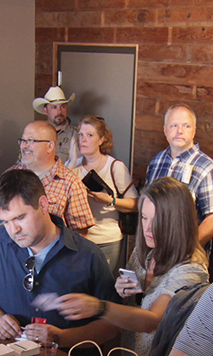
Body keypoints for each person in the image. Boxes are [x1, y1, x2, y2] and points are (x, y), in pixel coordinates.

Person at [57, 177, 208, 356]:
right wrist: (121, 290)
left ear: (179, 221)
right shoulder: (143, 253)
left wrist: (99, 307)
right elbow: (131, 307)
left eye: (158, 220)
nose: (147, 228)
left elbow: (151, 321)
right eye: (144, 218)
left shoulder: (191, 268)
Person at [0, 169, 117, 348]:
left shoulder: (88, 255)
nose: (14, 230)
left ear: (43, 205)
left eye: (20, 218)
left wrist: (61, 337)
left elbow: (111, 326)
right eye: (5, 222)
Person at [144, 104, 213, 246]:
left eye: (186, 126)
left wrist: (187, 250)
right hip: (155, 250)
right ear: (165, 130)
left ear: (194, 131)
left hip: (185, 257)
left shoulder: (206, 167)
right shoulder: (156, 162)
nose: (179, 131)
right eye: (173, 126)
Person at [68, 115, 139, 268]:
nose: (83, 139)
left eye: (90, 135)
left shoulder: (115, 167)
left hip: (107, 240)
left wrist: (110, 200)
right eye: (81, 135)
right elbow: (58, 192)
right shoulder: (73, 166)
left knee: (103, 287)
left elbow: (135, 204)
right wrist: (72, 160)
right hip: (79, 239)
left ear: (101, 140)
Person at [10, 120, 94, 235]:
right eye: (23, 141)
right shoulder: (9, 176)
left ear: (50, 146)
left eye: (30, 141)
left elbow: (80, 235)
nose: (24, 146)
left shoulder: (71, 184)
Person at [33, 85, 78, 165]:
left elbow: (81, 165)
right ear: (46, 111)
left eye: (62, 107)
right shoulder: (36, 134)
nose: (59, 111)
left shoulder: (76, 135)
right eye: (54, 107)